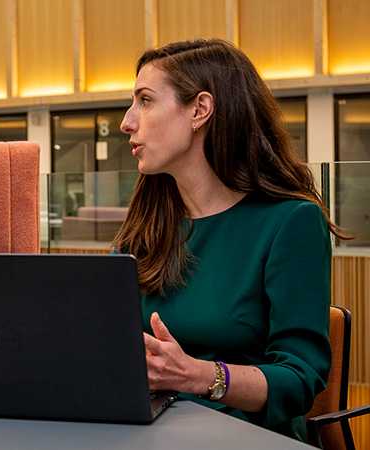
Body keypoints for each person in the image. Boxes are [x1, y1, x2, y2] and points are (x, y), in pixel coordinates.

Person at [113, 39, 347, 441]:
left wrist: (197, 375)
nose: (127, 122)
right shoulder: (148, 220)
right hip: (147, 430)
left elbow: (300, 381)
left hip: (244, 435)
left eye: (145, 101)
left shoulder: (291, 222)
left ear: (200, 110)